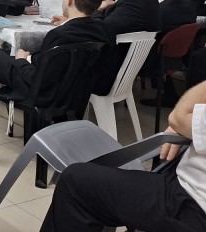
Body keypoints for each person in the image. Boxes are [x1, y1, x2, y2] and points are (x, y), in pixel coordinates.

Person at [40, 79, 206, 231]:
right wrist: (187, 125)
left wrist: (183, 121)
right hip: (188, 188)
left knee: (75, 183)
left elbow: (177, 118)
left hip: (193, 204)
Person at [0, 0, 113, 100]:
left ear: (70, 0)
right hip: (68, 90)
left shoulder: (59, 34)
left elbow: (37, 79)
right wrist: (69, 20)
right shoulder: (102, 29)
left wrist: (21, 60)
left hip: (36, 88)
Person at [53, 0, 160, 95]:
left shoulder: (134, 7)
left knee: (51, 57)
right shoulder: (146, 0)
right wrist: (74, 19)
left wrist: (96, 10)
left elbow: (99, 31)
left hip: (104, 77)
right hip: (118, 71)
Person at [140, 0, 199, 107]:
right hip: (175, 59)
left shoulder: (158, 10)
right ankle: (169, 92)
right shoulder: (189, 6)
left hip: (151, 60)